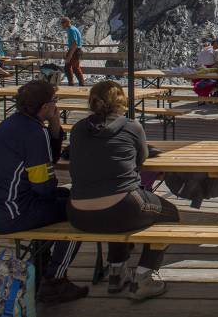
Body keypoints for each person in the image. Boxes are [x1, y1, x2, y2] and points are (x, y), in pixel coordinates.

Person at [0, 80, 88, 304]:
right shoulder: (32, 132)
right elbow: (44, 187)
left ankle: (40, 266)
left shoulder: (14, 123)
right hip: (7, 214)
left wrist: (54, 126)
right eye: (55, 102)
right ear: (45, 106)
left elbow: (45, 161)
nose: (56, 106)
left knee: (64, 198)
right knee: (79, 211)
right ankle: (54, 281)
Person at [67, 80, 180, 301]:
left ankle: (117, 273)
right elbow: (142, 159)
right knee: (170, 215)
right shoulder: (132, 126)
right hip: (121, 208)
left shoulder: (79, 128)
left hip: (78, 213)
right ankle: (143, 278)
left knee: (116, 208)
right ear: (121, 102)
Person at [61, 17, 85, 87]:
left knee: (67, 66)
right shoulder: (73, 28)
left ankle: (71, 84)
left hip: (74, 50)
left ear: (67, 22)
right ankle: (81, 83)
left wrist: (69, 55)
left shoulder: (71, 30)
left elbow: (74, 43)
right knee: (75, 67)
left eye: (63, 23)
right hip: (77, 50)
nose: (62, 24)